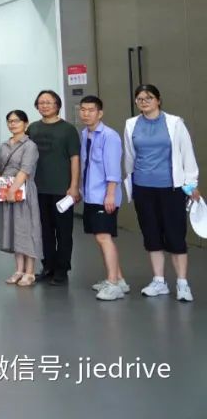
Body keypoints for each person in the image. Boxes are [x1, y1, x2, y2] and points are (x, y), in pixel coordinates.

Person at [123, 84, 199, 302]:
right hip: (143, 188)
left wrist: (191, 184)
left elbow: (187, 153)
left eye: (149, 97)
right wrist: (130, 183)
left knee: (175, 235)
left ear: (158, 100)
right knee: (151, 234)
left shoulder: (175, 123)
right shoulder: (131, 124)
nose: (144, 102)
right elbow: (129, 156)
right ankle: (159, 281)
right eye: (140, 98)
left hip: (171, 188)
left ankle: (182, 283)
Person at [26, 90, 81, 286]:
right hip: (37, 189)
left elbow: (75, 158)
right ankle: (48, 266)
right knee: (44, 231)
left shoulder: (68, 129)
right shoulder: (33, 128)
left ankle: (62, 269)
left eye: (49, 102)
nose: (44, 105)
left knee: (63, 232)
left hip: (62, 190)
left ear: (57, 105)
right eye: (41, 102)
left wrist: (74, 186)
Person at [78, 96, 128, 301]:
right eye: (83, 109)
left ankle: (113, 284)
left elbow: (113, 169)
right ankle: (119, 279)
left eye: (91, 110)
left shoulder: (110, 136)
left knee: (103, 237)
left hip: (104, 196)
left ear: (100, 113)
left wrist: (110, 195)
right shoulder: (85, 134)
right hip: (90, 194)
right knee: (100, 238)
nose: (86, 113)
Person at [0, 110, 44, 287]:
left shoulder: (30, 146)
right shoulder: (4, 145)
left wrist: (12, 190)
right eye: (10, 121)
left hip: (23, 191)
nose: (12, 124)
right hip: (6, 190)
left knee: (26, 230)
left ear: (25, 124)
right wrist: (0, 183)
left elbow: (25, 170)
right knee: (13, 230)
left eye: (16, 121)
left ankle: (30, 272)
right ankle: (19, 270)